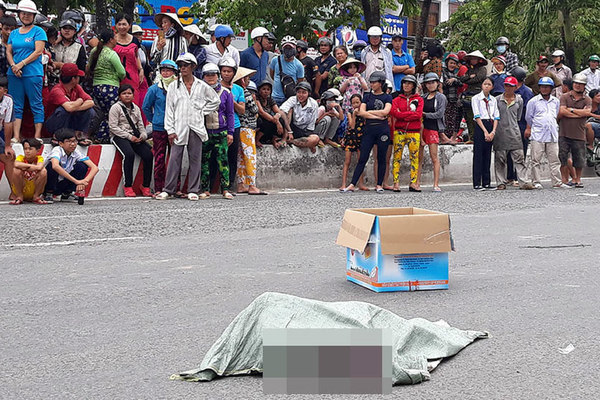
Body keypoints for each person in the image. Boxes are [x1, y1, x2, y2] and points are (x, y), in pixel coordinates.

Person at [155, 56, 221, 201]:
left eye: (186, 65)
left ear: (193, 67)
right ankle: (168, 189)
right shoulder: (173, 86)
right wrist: (170, 130)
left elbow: (215, 101)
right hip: (179, 126)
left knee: (195, 159)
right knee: (174, 158)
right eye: (181, 65)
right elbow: (169, 109)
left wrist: (201, 111)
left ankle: (193, 189)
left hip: (196, 126)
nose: (183, 68)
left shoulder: (201, 85)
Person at [342, 71, 392, 193]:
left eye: (374, 82)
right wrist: (378, 116)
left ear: (380, 83)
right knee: (363, 157)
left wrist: (372, 114)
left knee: (381, 157)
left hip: (382, 130)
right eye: (371, 82)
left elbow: (386, 112)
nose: (372, 84)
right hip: (369, 129)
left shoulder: (387, 97)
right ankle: (352, 183)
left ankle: (379, 184)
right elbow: (361, 112)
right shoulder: (367, 96)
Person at [6, 0, 47, 142]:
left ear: (34, 15)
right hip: (14, 73)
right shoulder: (14, 33)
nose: (26, 16)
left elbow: (38, 51)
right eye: (23, 13)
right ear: (19, 14)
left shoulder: (38, 31)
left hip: (33, 72)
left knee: (36, 103)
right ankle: (16, 136)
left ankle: (37, 136)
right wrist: (13, 66)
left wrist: (21, 64)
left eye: (29, 14)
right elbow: (8, 51)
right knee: (16, 104)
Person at [198, 61, 235, 200]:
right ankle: (205, 189)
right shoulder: (200, 92)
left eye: (213, 75)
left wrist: (230, 132)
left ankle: (225, 189)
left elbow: (230, 114)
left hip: (221, 131)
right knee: (204, 162)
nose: (210, 77)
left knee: (223, 161)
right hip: (205, 131)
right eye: (207, 75)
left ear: (218, 76)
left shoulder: (226, 93)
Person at [108, 84, 153, 197]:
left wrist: (143, 136)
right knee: (129, 154)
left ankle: (146, 185)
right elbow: (113, 127)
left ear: (133, 95)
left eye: (129, 93)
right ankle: (128, 186)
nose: (127, 96)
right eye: (124, 93)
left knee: (148, 155)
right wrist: (129, 137)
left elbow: (141, 126)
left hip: (135, 136)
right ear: (119, 96)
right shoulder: (115, 108)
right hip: (120, 136)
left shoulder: (136, 108)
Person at [142, 59, 178, 194]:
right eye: (163, 71)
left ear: (174, 72)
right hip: (159, 128)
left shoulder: (179, 88)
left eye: (169, 71)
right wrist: (155, 119)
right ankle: (158, 188)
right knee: (159, 158)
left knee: (175, 158)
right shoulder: (154, 89)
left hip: (175, 127)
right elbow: (146, 107)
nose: (166, 73)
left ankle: (175, 187)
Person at [494, 76, 533, 190]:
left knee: (519, 157)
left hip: (514, 131)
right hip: (500, 131)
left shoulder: (519, 100)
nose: (508, 88)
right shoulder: (497, 100)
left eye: (511, 86)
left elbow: (518, 116)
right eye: (506, 85)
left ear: (515, 87)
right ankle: (501, 182)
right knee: (500, 158)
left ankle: (523, 181)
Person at [86, 29, 126, 143]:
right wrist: (119, 78)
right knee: (111, 114)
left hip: (96, 87)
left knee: (101, 113)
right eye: (115, 37)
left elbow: (89, 67)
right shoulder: (111, 54)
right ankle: (104, 137)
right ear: (111, 40)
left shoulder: (94, 51)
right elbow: (122, 72)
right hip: (110, 87)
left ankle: (96, 135)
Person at [524, 76, 561, 189]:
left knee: (554, 159)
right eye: (542, 87)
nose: (544, 89)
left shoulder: (556, 101)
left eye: (547, 87)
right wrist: (534, 127)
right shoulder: (533, 102)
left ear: (551, 88)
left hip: (552, 134)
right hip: (538, 134)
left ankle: (557, 181)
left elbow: (556, 115)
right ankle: (536, 181)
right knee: (536, 160)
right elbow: (529, 117)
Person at [44, 128, 99, 203]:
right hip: (51, 182)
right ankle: (49, 193)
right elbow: (55, 166)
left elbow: (95, 168)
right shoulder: (57, 150)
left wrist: (83, 181)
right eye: (68, 141)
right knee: (52, 165)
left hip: (63, 182)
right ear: (61, 143)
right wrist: (76, 181)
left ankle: (67, 193)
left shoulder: (76, 152)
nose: (72, 144)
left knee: (82, 165)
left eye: (74, 141)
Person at [45, 63, 95, 145]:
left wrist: (75, 107)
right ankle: (57, 136)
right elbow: (68, 108)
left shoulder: (77, 87)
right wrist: (79, 101)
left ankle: (79, 134)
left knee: (90, 111)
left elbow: (91, 102)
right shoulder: (57, 90)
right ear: (73, 79)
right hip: (53, 124)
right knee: (62, 111)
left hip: (70, 121)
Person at [235, 69, 266, 195]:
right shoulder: (245, 92)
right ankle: (252, 185)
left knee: (241, 157)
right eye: (246, 78)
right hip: (247, 127)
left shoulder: (236, 90)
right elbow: (254, 109)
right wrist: (253, 99)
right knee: (250, 157)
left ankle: (241, 184)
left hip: (240, 127)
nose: (248, 80)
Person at [390, 74, 423, 192]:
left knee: (414, 158)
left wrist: (403, 115)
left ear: (413, 85)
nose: (406, 85)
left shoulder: (419, 99)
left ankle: (413, 182)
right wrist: (409, 115)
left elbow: (418, 115)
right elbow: (395, 113)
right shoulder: (396, 100)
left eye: (409, 83)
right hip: (399, 131)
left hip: (414, 132)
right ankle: (396, 182)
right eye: (405, 83)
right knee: (397, 157)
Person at [558, 73, 592, 188]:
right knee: (563, 156)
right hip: (564, 132)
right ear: (573, 84)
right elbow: (562, 111)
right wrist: (578, 113)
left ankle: (577, 179)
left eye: (581, 84)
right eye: (576, 83)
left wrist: (571, 110)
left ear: (584, 86)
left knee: (579, 158)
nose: (578, 86)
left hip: (579, 133)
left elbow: (587, 113)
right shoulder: (565, 97)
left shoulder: (587, 99)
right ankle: (564, 179)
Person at [218, 56, 245, 194]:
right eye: (224, 71)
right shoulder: (215, 87)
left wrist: (231, 101)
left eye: (229, 71)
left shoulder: (239, 90)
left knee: (232, 157)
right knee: (216, 156)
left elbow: (242, 110)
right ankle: (212, 185)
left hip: (234, 125)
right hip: (218, 126)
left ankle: (228, 186)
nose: (227, 74)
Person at [417, 73, 445, 192]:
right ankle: (416, 182)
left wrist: (425, 115)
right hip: (422, 128)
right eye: (428, 83)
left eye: (433, 82)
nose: (431, 85)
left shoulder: (441, 97)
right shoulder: (423, 97)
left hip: (433, 128)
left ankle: (436, 184)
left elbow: (439, 113)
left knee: (434, 157)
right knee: (419, 157)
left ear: (437, 83)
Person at [509, 66, 535, 185]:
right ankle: (509, 176)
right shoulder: (509, 90)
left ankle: (518, 176)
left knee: (521, 152)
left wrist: (528, 128)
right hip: (510, 124)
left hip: (522, 124)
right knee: (508, 151)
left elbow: (529, 112)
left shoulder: (526, 92)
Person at [471, 77, 499, 190]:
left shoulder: (494, 99)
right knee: (478, 154)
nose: (486, 86)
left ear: (492, 87)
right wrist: (485, 132)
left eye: (489, 84)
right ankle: (477, 182)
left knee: (487, 154)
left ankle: (486, 182)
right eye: (485, 84)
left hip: (490, 123)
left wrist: (493, 131)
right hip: (480, 125)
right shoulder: (476, 98)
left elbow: (496, 116)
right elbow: (477, 115)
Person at [278, 81, 320, 153]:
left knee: (315, 139)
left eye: (304, 92)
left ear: (308, 94)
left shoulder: (313, 104)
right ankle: (285, 138)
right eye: (299, 92)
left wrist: (311, 143)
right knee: (288, 111)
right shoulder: (292, 99)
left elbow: (311, 127)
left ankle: (291, 141)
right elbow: (281, 111)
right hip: (289, 128)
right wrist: (289, 131)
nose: (300, 95)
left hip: (303, 132)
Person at [113, 14, 144, 110]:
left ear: (129, 25)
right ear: (116, 25)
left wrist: (141, 69)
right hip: (116, 77)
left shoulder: (134, 40)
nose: (122, 27)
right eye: (119, 24)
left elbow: (136, 56)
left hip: (132, 76)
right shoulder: (112, 40)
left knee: (134, 102)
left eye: (124, 24)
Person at [459, 51, 488, 144]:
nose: (473, 60)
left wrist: (468, 78)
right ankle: (471, 137)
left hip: (478, 94)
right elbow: (462, 79)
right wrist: (469, 77)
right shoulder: (469, 70)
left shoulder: (482, 69)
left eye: (475, 59)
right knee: (469, 116)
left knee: (478, 116)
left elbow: (478, 78)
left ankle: (480, 136)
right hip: (468, 95)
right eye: (472, 59)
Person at [340, 93, 367, 191]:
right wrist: (354, 115)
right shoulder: (350, 112)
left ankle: (361, 183)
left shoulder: (364, 112)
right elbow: (352, 126)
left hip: (361, 138)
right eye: (353, 103)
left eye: (357, 102)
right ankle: (343, 184)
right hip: (351, 138)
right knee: (347, 161)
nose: (356, 105)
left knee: (360, 161)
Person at [269, 35, 304, 105]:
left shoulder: (299, 65)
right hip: (275, 97)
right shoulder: (275, 60)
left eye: (290, 48)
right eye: (286, 48)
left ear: (295, 48)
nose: (288, 50)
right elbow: (272, 75)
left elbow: (300, 82)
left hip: (290, 98)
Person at [10, 137, 46, 204]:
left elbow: (39, 167)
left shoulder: (39, 158)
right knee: (16, 170)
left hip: (33, 189)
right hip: (22, 188)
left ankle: (36, 196)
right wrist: (31, 166)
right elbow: (16, 164)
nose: (27, 151)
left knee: (43, 171)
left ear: (38, 151)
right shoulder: (21, 157)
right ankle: (19, 196)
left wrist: (24, 166)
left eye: (30, 149)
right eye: (25, 149)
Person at [255, 80, 284, 147]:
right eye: (264, 89)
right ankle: (257, 140)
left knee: (281, 120)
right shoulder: (257, 98)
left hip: (270, 118)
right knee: (266, 123)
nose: (266, 91)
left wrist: (277, 116)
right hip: (259, 119)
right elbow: (261, 112)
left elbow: (278, 111)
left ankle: (274, 139)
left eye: (268, 89)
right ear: (259, 90)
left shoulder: (270, 99)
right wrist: (277, 122)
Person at [442, 53, 462, 144]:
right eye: (451, 63)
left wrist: (454, 80)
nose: (452, 65)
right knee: (445, 119)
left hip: (454, 100)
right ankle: (444, 138)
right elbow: (445, 83)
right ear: (447, 63)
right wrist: (454, 81)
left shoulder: (455, 74)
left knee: (453, 119)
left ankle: (450, 138)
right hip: (446, 99)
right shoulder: (443, 72)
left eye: (454, 63)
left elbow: (460, 83)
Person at [584, 89, 600, 156]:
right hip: (587, 127)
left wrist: (590, 114)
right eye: (598, 96)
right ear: (592, 98)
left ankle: (590, 146)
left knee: (588, 125)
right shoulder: (587, 107)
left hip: (598, 125)